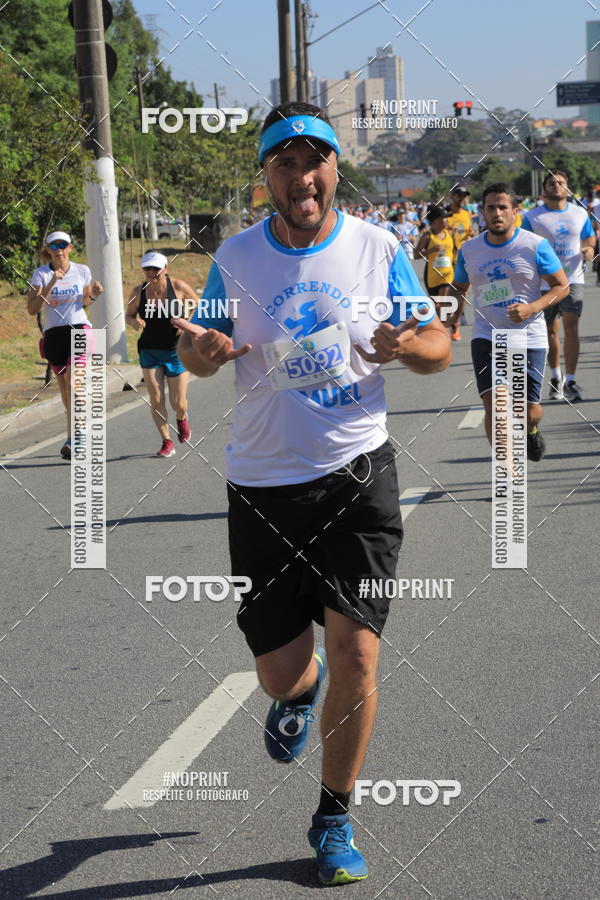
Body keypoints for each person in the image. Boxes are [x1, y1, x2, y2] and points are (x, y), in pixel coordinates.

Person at [176, 100, 451, 886]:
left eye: (316, 161)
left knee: (357, 649)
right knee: (282, 673)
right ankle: (299, 694)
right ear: (266, 177)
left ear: (335, 169)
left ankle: (334, 815)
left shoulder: (376, 246)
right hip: (264, 486)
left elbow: (434, 344)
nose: (304, 176)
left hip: (358, 476)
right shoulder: (237, 256)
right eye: (287, 163)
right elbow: (199, 355)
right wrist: (202, 350)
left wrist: (409, 346)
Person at [453, 183, 569, 461]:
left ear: (515, 211)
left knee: (529, 411)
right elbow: (458, 289)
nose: (497, 213)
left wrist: (532, 307)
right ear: (482, 212)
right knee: (494, 405)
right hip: (487, 335)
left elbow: (561, 286)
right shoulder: (469, 250)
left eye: (503, 207)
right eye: (491, 207)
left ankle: (531, 430)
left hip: (528, 336)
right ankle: (507, 472)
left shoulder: (534, 245)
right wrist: (445, 322)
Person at [27, 230, 103, 460]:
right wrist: (51, 283)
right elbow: (32, 309)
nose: (59, 249)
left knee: (75, 384)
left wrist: (95, 294)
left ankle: (76, 438)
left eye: (63, 244)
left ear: (70, 247)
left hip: (79, 328)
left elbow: (85, 301)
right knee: (65, 389)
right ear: (48, 250)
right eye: (54, 245)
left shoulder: (82, 270)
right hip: (54, 334)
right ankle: (74, 434)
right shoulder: (40, 275)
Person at [521, 171, 595, 402]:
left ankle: (571, 380)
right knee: (550, 331)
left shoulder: (579, 213)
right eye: (551, 182)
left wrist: (589, 249)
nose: (557, 185)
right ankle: (556, 378)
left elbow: (589, 238)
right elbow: (523, 243)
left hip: (573, 278)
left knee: (571, 326)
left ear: (568, 188)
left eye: (561, 182)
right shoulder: (532, 217)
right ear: (544, 190)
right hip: (545, 282)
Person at [125, 251, 198, 457]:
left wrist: (186, 323)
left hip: (176, 351)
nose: (152, 272)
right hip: (149, 350)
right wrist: (134, 322)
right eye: (147, 269)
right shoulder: (138, 291)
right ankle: (166, 441)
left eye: (156, 269)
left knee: (178, 402)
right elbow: (129, 315)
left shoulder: (179, 287)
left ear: (165, 269)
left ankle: (182, 418)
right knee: (156, 399)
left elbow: (198, 306)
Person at [415, 206, 456, 333]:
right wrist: (431, 250)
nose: (446, 220)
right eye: (443, 218)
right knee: (436, 305)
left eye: (446, 218)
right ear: (434, 221)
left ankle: (445, 330)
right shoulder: (427, 236)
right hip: (432, 276)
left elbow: (455, 251)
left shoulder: (450, 233)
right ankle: (439, 327)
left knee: (443, 303)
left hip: (448, 274)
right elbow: (416, 255)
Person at [446, 187, 474, 340]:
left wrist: (471, 235)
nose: (462, 198)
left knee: (463, 291)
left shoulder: (466, 213)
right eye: (459, 195)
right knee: (447, 293)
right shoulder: (445, 215)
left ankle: (456, 319)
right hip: (448, 259)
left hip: (464, 257)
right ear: (452, 196)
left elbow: (468, 231)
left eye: (464, 196)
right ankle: (448, 323)